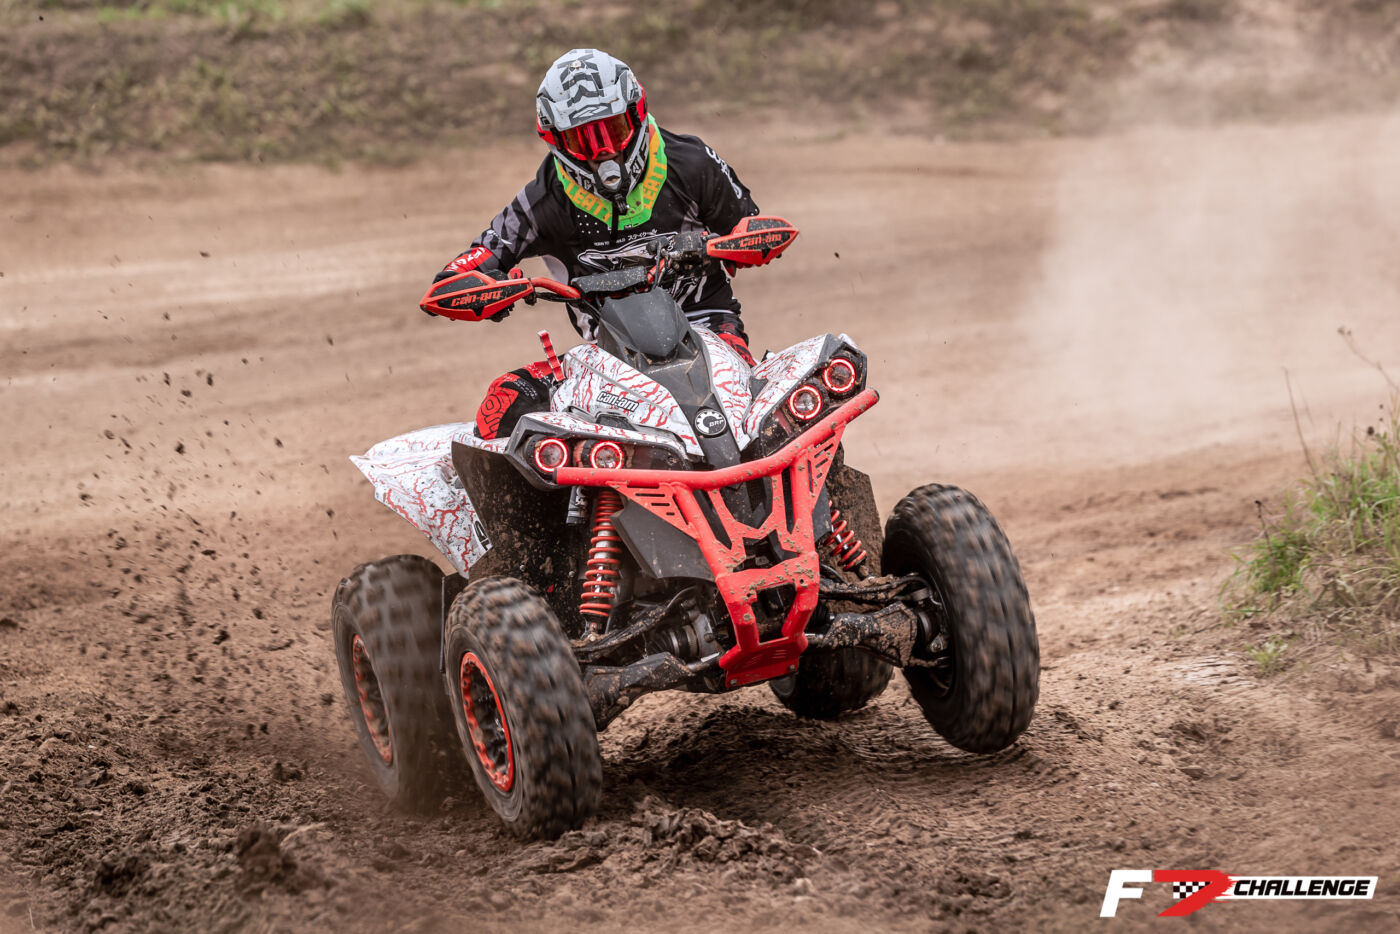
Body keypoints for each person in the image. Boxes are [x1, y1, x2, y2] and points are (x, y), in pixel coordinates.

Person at [427, 48, 763, 440]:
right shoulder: (543, 201)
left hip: (708, 327)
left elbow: (751, 228)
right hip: (607, 357)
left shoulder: (691, 163)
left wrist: (748, 242)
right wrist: (481, 287)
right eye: (581, 140)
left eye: (613, 130)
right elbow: (463, 269)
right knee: (502, 407)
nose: (605, 152)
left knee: (769, 415)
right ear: (555, 141)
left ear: (636, 114)